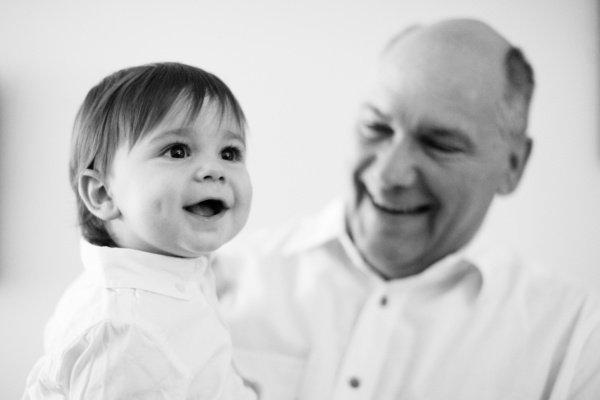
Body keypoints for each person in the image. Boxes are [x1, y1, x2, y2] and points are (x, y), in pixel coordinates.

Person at [216, 18, 600, 399]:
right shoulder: (213, 278)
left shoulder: (574, 337)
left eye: (440, 144)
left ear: (513, 165)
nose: (389, 174)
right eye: (376, 128)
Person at [23, 62, 258, 399]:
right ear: (104, 193)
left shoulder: (172, 276)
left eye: (229, 152)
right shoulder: (127, 331)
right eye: (177, 151)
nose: (214, 169)